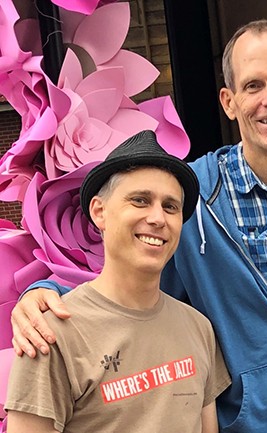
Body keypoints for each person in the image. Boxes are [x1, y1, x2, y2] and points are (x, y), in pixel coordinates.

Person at [10, 20, 267, 433]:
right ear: (229, 102)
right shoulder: (188, 199)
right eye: (253, 86)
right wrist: (46, 293)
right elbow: (124, 270)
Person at [4, 130, 231, 432]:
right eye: (140, 200)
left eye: (170, 206)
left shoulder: (199, 328)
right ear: (100, 212)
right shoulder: (49, 334)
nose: (157, 218)